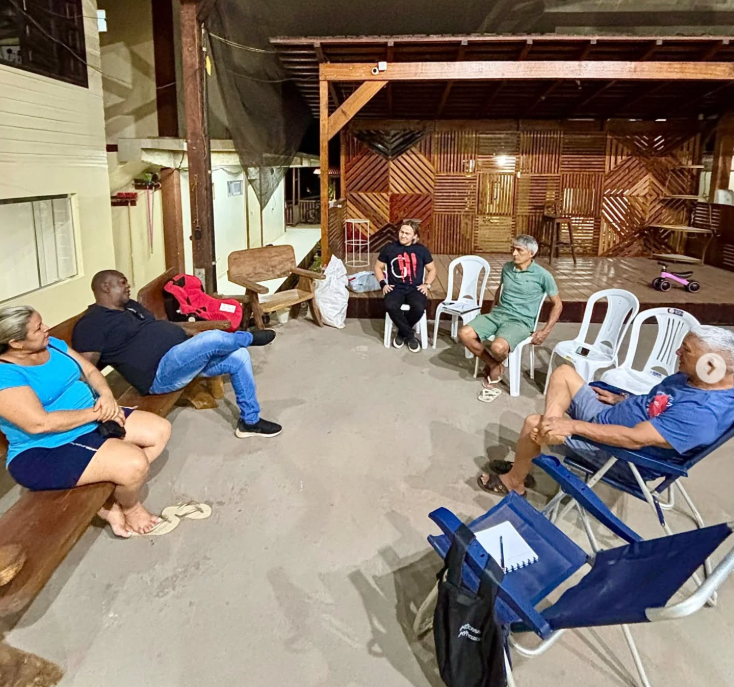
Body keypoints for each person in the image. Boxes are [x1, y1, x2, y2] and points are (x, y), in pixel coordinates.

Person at [477, 325, 734, 496]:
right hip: (611, 418)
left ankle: (516, 481)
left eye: (686, 350)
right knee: (564, 373)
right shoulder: (695, 378)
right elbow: (658, 402)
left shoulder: (703, 414)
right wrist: (624, 400)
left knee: (534, 423)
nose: (677, 352)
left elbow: (634, 439)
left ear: (713, 365)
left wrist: (571, 426)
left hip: (623, 455)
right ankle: (545, 436)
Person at [0, 306, 172, 537]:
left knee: (160, 430)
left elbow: (90, 371)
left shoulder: (52, 345)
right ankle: (129, 507)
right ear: (16, 343)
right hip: (47, 447)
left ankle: (110, 495)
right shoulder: (5, 374)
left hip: (92, 417)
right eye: (38, 328)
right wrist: (99, 413)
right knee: (135, 464)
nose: (46, 328)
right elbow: (39, 424)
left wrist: (107, 397)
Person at [72, 270, 281, 439]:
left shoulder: (130, 307)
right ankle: (249, 337)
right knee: (211, 338)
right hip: (159, 373)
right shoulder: (92, 324)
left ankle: (250, 421)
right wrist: (100, 406)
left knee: (239, 357)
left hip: (182, 358)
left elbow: (157, 326)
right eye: (122, 282)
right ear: (105, 287)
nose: (128, 286)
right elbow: (85, 370)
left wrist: (190, 332)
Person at [458, 235, 563, 403]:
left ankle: (495, 364)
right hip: (498, 314)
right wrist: (491, 311)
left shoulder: (543, 275)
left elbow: (558, 305)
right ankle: (494, 365)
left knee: (498, 347)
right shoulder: (507, 268)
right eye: (513, 249)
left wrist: (545, 331)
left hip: (521, 321)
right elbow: (500, 289)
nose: (514, 253)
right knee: (464, 333)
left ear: (531, 253)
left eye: (519, 250)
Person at [374, 220, 437, 353]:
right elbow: (378, 267)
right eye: (401, 232)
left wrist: (426, 285)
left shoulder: (422, 250)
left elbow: (432, 269)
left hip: (415, 288)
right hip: (395, 287)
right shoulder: (389, 248)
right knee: (390, 306)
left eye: (407, 233)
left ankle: (401, 334)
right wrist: (383, 283)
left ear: (415, 236)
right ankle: (410, 336)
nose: (403, 235)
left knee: (419, 307)